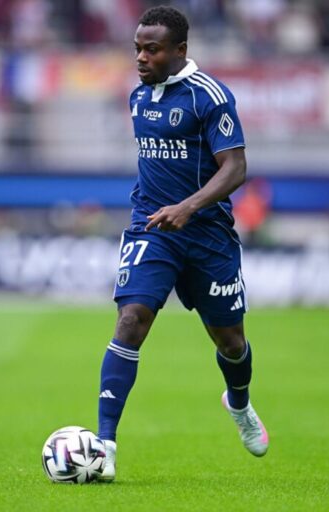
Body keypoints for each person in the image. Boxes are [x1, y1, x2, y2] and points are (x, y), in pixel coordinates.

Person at [95, 5, 268, 482]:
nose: (141, 58)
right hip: (152, 229)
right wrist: (165, 211)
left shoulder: (209, 96)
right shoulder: (137, 97)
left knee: (230, 341)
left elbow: (236, 167)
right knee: (131, 320)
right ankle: (104, 446)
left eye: (151, 49)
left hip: (207, 234)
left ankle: (239, 403)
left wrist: (188, 207)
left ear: (180, 50)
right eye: (137, 49)